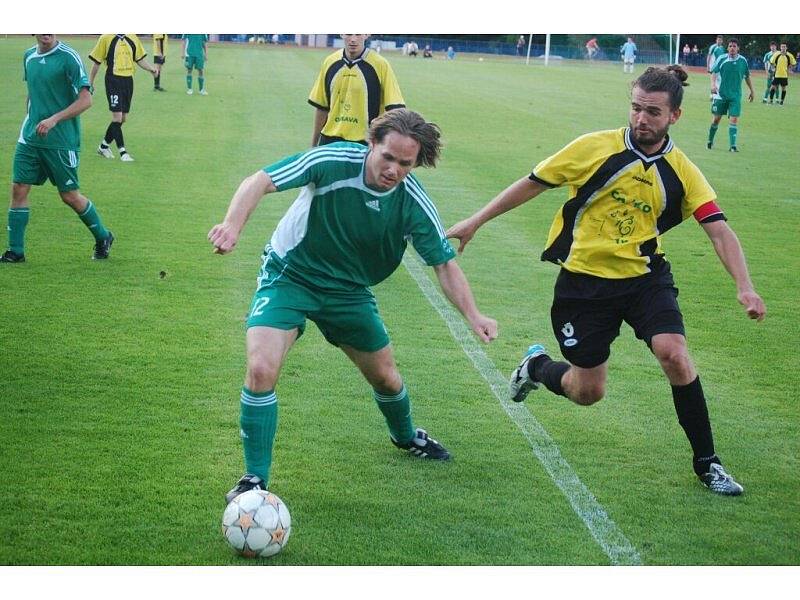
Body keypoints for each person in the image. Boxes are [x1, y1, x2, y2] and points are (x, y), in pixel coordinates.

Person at [446, 66, 766, 497]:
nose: (641, 119)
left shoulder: (682, 171)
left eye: (652, 111)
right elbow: (531, 184)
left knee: (674, 354)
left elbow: (718, 229)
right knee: (587, 392)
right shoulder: (593, 148)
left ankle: (708, 463)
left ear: (675, 115)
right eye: (636, 108)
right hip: (584, 285)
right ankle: (537, 368)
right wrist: (476, 221)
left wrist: (744, 286)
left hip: (645, 279)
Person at [208, 109, 498, 502]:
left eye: (405, 164)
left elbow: (444, 264)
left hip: (349, 292)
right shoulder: (331, 161)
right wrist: (232, 225)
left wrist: (473, 314)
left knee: (386, 379)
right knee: (260, 368)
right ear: (371, 144)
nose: (394, 169)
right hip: (290, 275)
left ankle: (405, 435)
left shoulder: (412, 202)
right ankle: (254, 480)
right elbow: (258, 181)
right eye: (387, 157)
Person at [3, 35, 114, 264]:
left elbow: (86, 100)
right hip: (30, 137)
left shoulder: (68, 57)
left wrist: (54, 119)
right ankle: (16, 251)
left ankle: (103, 236)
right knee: (19, 187)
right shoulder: (29, 57)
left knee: (69, 196)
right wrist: (31, 121)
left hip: (61, 140)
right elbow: (33, 93)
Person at [308, 34, 405, 147]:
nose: (353, 39)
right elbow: (321, 107)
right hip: (330, 141)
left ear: (367, 34)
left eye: (358, 34)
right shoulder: (330, 62)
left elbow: (395, 108)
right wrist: (314, 145)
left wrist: (380, 132)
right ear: (342, 34)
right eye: (349, 33)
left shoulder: (381, 65)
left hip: (365, 143)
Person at [89, 34, 158, 162]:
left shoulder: (132, 37)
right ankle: (123, 152)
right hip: (113, 80)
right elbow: (96, 62)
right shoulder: (106, 38)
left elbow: (139, 59)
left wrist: (151, 69)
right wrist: (90, 83)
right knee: (117, 117)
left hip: (128, 81)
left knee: (122, 119)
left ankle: (103, 146)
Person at [707, 39, 754, 152]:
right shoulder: (721, 59)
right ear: (727, 48)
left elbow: (747, 76)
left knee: (734, 120)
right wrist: (713, 85)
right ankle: (710, 141)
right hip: (720, 95)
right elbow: (713, 73)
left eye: (734, 46)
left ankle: (732, 146)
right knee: (716, 120)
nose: (732, 48)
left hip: (735, 96)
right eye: (730, 46)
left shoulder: (743, 61)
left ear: (738, 48)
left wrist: (752, 90)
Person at [707, 35, 726, 99]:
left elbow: (723, 58)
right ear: (716, 40)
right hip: (713, 67)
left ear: (722, 41)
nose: (719, 41)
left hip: (720, 67)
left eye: (720, 40)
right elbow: (709, 56)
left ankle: (716, 94)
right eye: (718, 40)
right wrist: (708, 66)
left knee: (719, 81)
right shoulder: (713, 47)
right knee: (713, 80)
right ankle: (712, 95)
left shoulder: (723, 48)